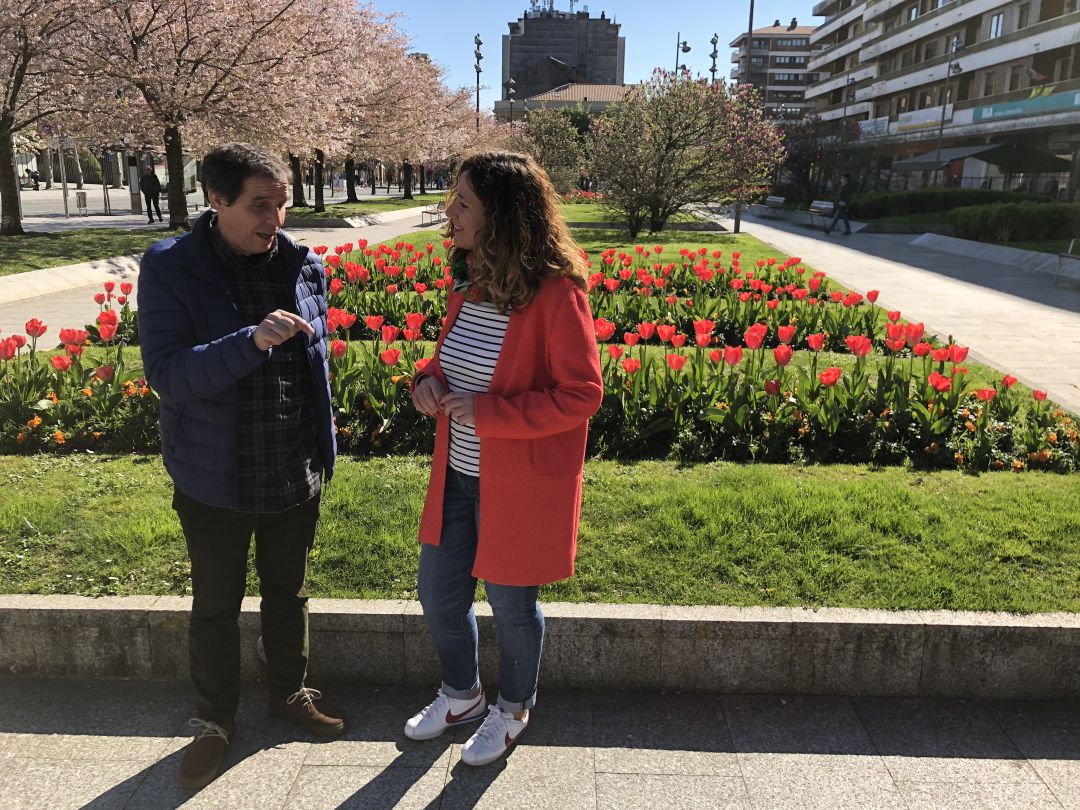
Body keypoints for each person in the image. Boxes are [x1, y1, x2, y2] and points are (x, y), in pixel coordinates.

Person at [137, 143, 344, 791]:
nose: (274, 218)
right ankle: (214, 721)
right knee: (216, 605)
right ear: (217, 200)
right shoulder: (173, 268)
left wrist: (322, 448)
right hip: (213, 476)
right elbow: (169, 375)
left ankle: (288, 692)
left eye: (281, 204)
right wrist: (251, 339)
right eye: (260, 205)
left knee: (290, 592)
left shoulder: (303, 265)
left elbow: (319, 368)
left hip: (290, 470)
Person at [405, 151, 603, 767]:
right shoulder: (473, 284)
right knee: (438, 595)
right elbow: (449, 361)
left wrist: (489, 415)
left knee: (513, 605)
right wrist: (426, 383)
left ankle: (513, 708)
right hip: (458, 475)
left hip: (518, 484)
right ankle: (461, 695)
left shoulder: (556, 294)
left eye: (462, 202)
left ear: (503, 216)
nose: (450, 213)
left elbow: (582, 394)